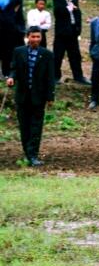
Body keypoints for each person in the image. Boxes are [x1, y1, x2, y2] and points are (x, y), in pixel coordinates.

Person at [6, 26, 55, 167]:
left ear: (41, 38)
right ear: (28, 37)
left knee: (36, 127)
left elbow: (50, 77)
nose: (35, 40)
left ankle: (33, 155)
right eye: (33, 37)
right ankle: (27, 153)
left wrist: (50, 96)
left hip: (38, 97)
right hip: (22, 96)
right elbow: (13, 68)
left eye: (38, 37)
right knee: (24, 126)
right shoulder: (18, 51)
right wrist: (11, 77)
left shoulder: (47, 55)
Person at [52, 0, 90, 85]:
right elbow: (59, 12)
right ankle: (55, 77)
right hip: (62, 32)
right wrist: (69, 8)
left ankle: (78, 76)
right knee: (58, 55)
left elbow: (78, 14)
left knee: (75, 55)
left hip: (73, 32)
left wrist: (78, 30)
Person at [0, 0, 25, 77]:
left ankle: (6, 72)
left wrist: (15, 14)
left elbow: (19, 4)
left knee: (8, 50)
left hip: (9, 26)